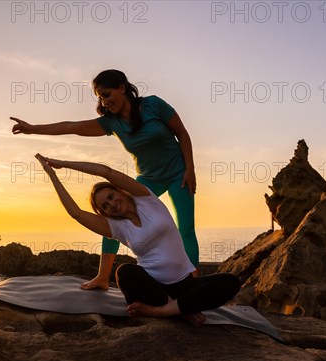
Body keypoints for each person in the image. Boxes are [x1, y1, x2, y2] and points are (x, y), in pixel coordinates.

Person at [11, 69, 199, 288]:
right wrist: (32, 129)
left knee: (186, 227)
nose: (104, 101)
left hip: (179, 173)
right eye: (100, 97)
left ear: (122, 88)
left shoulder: (154, 105)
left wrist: (190, 168)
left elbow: (182, 133)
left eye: (106, 94)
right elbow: (72, 127)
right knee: (116, 216)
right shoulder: (112, 123)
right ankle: (102, 277)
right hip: (149, 179)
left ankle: (193, 283)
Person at [35, 154, 240, 326]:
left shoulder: (145, 198)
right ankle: (180, 308)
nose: (112, 204)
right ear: (104, 213)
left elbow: (106, 172)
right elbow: (76, 213)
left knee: (231, 282)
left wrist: (63, 164)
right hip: (151, 287)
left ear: (119, 191)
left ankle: (163, 311)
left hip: (184, 283)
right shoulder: (117, 227)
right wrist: (52, 175)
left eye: (111, 196)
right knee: (124, 272)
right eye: (105, 206)